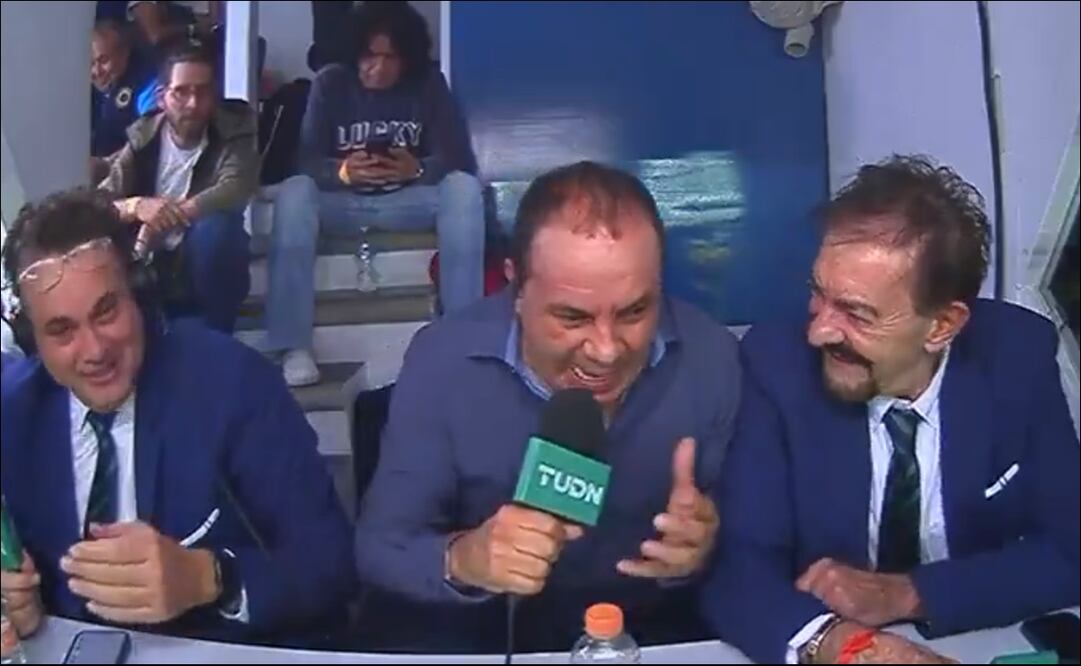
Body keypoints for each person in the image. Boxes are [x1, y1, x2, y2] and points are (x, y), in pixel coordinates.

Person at [701, 155, 1081, 664]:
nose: (820, 331)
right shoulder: (777, 365)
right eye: (819, 294)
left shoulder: (1018, 359)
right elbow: (739, 569)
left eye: (856, 313)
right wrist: (842, 644)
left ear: (942, 326)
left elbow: (1069, 550)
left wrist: (909, 592)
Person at [354, 161, 739, 652]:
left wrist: (705, 548)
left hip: (648, 631)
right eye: (572, 317)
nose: (606, 350)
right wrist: (463, 558)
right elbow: (380, 546)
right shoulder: (443, 361)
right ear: (517, 288)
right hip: (490, 629)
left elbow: (757, 550)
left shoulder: (713, 358)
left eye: (635, 311)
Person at [0, 189, 354, 644]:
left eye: (106, 311)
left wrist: (210, 579)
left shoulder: (233, 383)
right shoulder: (13, 414)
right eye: (61, 330)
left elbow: (331, 564)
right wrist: (18, 606)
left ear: (139, 294)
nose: (94, 350)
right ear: (33, 339)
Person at [267, 0, 484, 387]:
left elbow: (459, 160)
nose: (378, 68)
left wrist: (417, 168)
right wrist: (342, 171)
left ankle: (461, 335)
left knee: (464, 190)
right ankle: (293, 346)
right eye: (369, 56)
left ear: (408, 58)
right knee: (295, 191)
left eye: (390, 58)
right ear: (354, 53)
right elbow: (305, 162)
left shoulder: (429, 85)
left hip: (408, 202)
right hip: (344, 205)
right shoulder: (330, 83)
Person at [100, 45, 256, 333]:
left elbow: (236, 185)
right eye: (181, 92)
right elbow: (99, 203)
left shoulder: (236, 128)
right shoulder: (143, 137)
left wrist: (167, 216)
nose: (193, 103)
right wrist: (137, 206)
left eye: (203, 91)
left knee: (218, 229)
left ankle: (218, 339)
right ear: (162, 97)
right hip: (152, 264)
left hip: (205, 260)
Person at [90, 19, 158, 161]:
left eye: (103, 61)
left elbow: (151, 137)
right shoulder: (82, 91)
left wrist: (108, 164)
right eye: (90, 63)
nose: (96, 71)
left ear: (124, 54)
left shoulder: (146, 84)